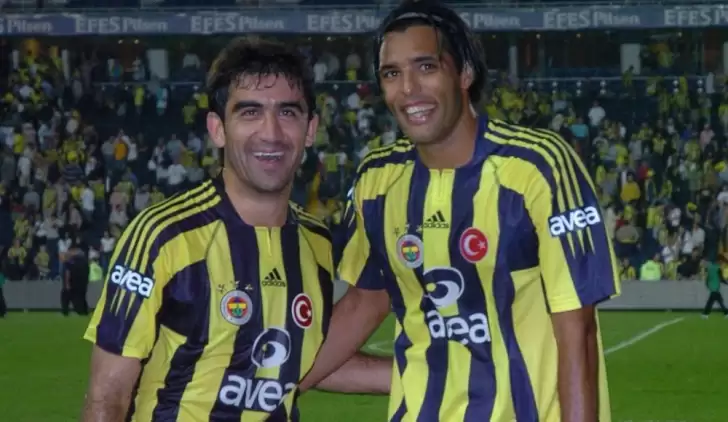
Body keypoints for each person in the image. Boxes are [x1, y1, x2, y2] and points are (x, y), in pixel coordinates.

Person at [301, 1, 620, 421]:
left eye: (426, 67)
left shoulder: (536, 168)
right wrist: (265, 390)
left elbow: (577, 331)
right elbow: (365, 301)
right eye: (391, 73)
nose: (408, 88)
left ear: (464, 73)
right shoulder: (377, 181)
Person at [82, 37, 388, 422]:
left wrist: (432, 371)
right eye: (250, 112)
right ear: (218, 129)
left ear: (310, 129)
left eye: (288, 112)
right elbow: (107, 398)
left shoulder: (316, 243)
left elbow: (299, 365)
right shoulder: (165, 236)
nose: (271, 132)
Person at [61, 241, 90, 316]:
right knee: (81, 298)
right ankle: (84, 312)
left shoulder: (70, 261)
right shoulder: (85, 261)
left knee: (66, 297)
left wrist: (67, 284)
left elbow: (67, 272)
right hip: (83, 284)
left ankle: (65, 312)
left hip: (72, 284)